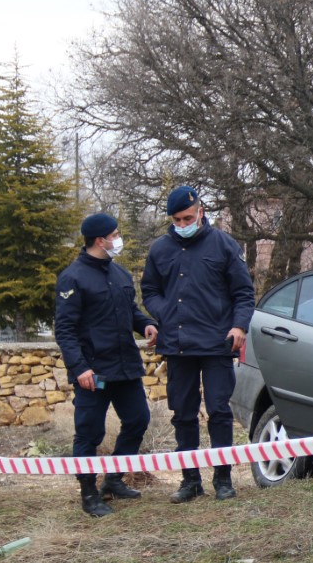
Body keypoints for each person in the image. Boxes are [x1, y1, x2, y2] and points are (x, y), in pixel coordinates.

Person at [142, 186, 255, 502]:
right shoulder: (160, 249)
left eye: (187, 217)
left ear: (201, 212)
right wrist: (165, 312)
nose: (182, 224)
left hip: (218, 343)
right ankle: (190, 480)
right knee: (183, 412)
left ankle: (223, 478)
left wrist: (239, 326)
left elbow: (244, 293)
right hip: (177, 346)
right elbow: (149, 290)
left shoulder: (223, 245)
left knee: (219, 411)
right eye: (177, 219)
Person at [55, 212, 158, 517]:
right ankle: (88, 494)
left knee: (138, 420)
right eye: (115, 234)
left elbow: (131, 312)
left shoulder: (121, 274)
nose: (118, 238)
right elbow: (65, 330)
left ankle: (113, 480)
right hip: (94, 375)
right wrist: (80, 368)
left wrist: (147, 325)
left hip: (125, 369)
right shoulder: (72, 278)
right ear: (100, 240)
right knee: (89, 432)